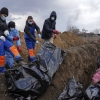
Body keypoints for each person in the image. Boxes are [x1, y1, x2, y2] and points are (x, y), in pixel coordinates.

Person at [0, 7, 22, 72]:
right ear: (1, 13)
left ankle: (18, 58)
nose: (4, 17)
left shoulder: (4, 21)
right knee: (1, 55)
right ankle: (1, 69)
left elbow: (5, 29)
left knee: (11, 47)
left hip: (4, 39)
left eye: (6, 16)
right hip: (0, 39)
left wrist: (19, 45)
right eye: (4, 15)